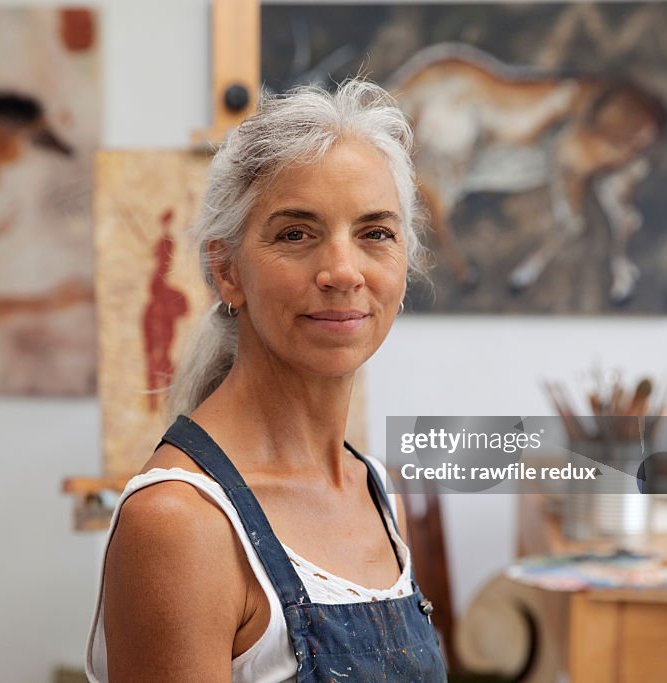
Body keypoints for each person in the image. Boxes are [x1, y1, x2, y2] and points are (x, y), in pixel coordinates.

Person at [85, 79, 447, 682]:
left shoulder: (378, 492)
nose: (341, 270)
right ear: (225, 271)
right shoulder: (183, 522)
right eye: (295, 234)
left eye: (375, 233)